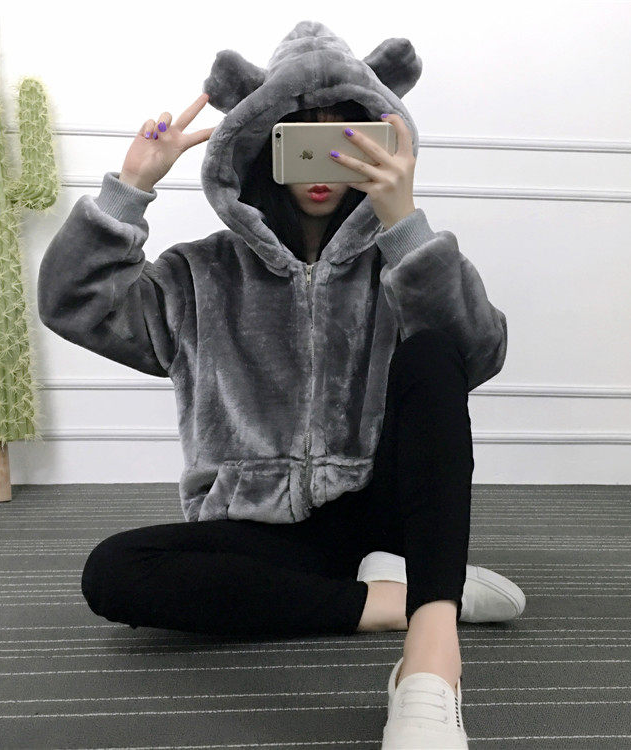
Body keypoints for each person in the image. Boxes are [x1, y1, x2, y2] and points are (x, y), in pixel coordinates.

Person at [36, 21, 518, 749]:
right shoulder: (199, 273)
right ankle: (402, 594)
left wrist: (405, 224)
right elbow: (74, 305)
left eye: (345, 139)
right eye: (300, 140)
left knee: (431, 353)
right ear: (262, 144)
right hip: (259, 528)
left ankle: (430, 650)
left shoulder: (402, 260)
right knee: (114, 572)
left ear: (378, 142)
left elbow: (476, 354)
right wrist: (130, 189)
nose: (323, 165)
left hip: (381, 507)